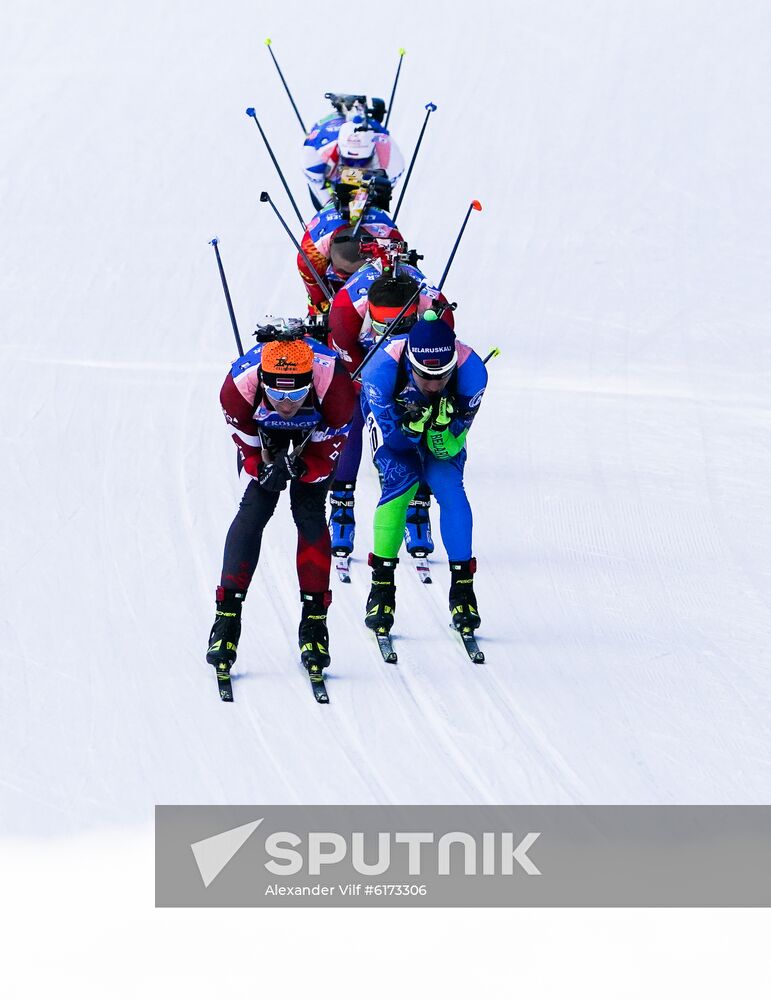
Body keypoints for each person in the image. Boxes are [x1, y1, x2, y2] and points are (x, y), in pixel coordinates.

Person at [206, 330, 356, 680]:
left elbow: (327, 457)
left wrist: (304, 467)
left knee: (308, 511)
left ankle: (315, 623)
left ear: (311, 383)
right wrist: (263, 467)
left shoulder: (336, 388)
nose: (287, 405)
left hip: (317, 428)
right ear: (262, 382)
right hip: (263, 432)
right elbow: (247, 453)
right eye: (276, 394)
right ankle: (226, 619)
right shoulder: (237, 388)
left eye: (296, 394)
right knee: (255, 506)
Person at [359, 310, 488, 634]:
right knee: (401, 479)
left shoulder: (472, 372)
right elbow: (396, 444)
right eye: (423, 375)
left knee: (449, 486)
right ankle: (382, 588)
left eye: (441, 376)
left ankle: (463, 590)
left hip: (438, 431)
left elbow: (450, 449)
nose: (433, 384)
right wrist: (414, 426)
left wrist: (439, 428)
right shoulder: (381, 370)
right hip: (394, 429)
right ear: (410, 364)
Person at [328, 262, 455, 572]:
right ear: (370, 312)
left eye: (403, 323)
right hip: (364, 357)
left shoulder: (439, 312)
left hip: (413, 358)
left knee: (423, 415)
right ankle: (342, 505)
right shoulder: (346, 312)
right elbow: (358, 375)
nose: (393, 333)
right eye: (385, 326)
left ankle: (417, 499)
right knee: (353, 414)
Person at [298, 172, 402, 314]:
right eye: (344, 273)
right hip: (326, 234)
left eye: (355, 273)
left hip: (375, 249)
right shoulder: (311, 253)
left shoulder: (388, 237)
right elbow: (316, 292)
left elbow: (403, 272)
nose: (350, 280)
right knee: (323, 307)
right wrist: (324, 307)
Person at [304, 110, 404, 207]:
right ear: (339, 150)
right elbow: (319, 189)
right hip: (328, 151)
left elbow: (383, 193)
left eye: (362, 161)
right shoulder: (314, 158)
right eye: (350, 161)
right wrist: (329, 204)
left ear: (374, 152)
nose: (356, 167)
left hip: (359, 174)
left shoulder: (393, 162)